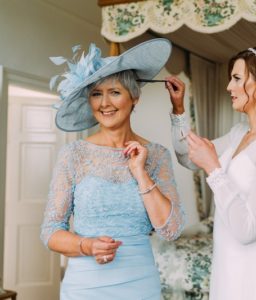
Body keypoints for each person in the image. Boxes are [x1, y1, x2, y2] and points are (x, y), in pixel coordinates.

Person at [40, 39, 185, 299]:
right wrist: (87, 245)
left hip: (140, 285)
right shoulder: (73, 155)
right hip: (85, 287)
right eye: (96, 93)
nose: (104, 103)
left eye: (115, 92)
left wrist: (140, 173)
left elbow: (171, 230)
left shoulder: (157, 156)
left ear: (134, 97)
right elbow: (51, 231)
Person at [165, 43, 256, 300]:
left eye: (237, 78)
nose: (229, 87)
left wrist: (214, 169)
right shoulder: (239, 133)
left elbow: (249, 229)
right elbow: (188, 156)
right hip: (225, 263)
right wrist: (179, 109)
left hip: (249, 271)